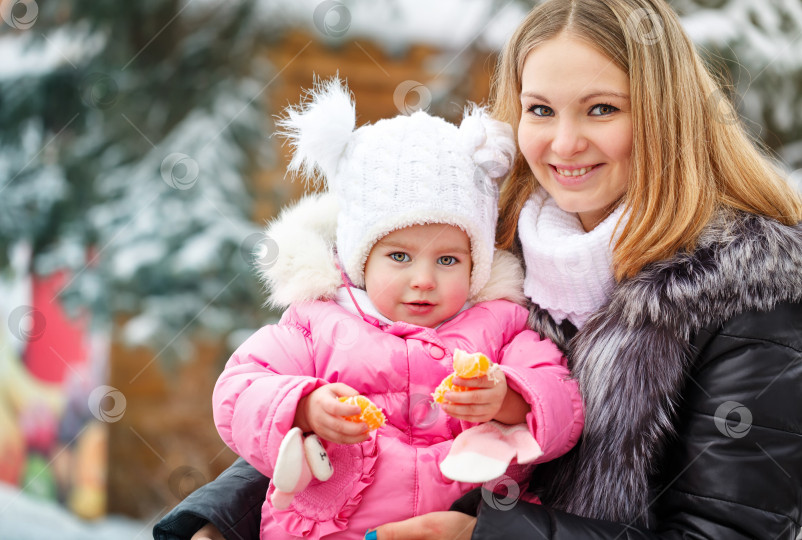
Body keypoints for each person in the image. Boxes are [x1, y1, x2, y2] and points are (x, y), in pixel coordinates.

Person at [154, 0, 802, 538]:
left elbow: (726, 532)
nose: (564, 143)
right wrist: (223, 520)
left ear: (663, 115)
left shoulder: (748, 288)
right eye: (540, 109)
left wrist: (485, 535)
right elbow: (354, 378)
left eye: (601, 109)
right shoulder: (483, 243)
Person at [198, 79, 583, 540]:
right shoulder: (316, 323)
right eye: (399, 257)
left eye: (448, 260)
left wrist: (508, 398)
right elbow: (238, 389)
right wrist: (302, 407)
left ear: (476, 264)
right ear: (360, 258)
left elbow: (563, 402)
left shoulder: (502, 328)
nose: (423, 279)